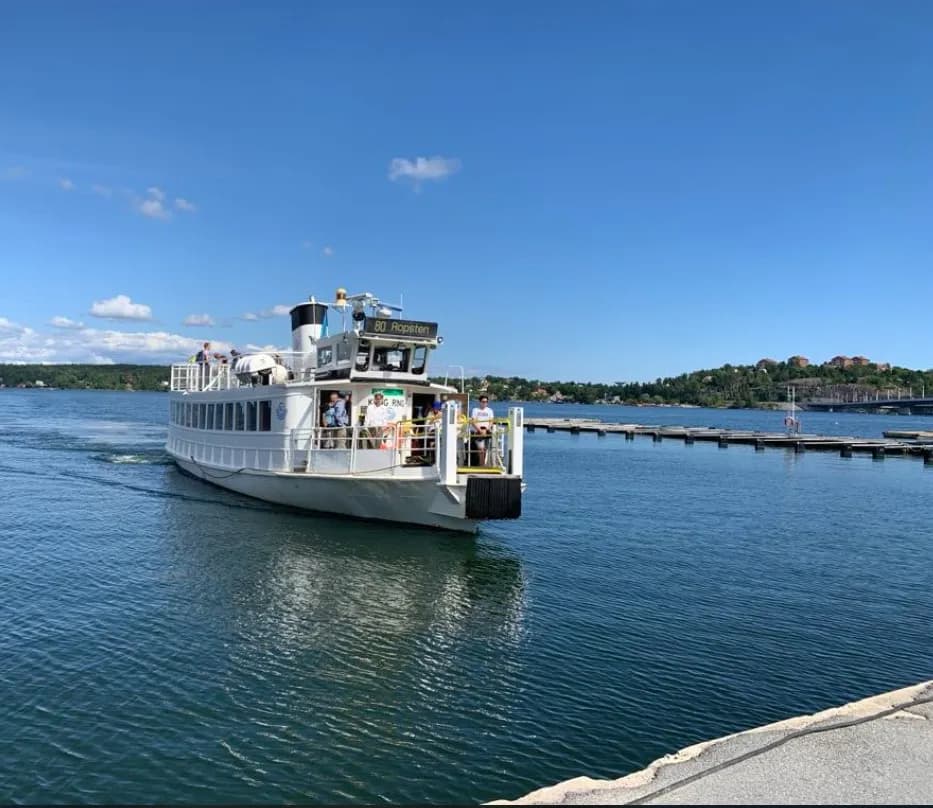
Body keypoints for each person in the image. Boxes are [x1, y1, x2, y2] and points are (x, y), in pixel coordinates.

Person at [470, 395, 495, 466]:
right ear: (480, 402)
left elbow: (491, 421)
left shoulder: (490, 410)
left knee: (484, 449)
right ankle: (482, 464)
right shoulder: (475, 410)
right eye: (483, 402)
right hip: (478, 431)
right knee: (481, 449)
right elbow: (473, 421)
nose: (484, 403)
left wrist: (487, 429)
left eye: (486, 402)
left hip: (486, 431)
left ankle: (483, 463)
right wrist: (480, 430)